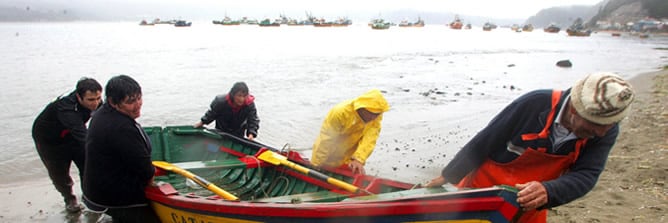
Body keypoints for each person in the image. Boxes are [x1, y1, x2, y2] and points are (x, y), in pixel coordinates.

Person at [424, 72, 635, 223]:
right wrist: (449, 175)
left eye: (610, 125)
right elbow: (486, 139)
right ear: (574, 109)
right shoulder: (534, 104)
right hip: (481, 193)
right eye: (595, 125)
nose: (602, 133)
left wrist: (549, 190)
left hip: (528, 207)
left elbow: (587, 174)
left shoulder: (606, 129)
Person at [82, 75, 160, 222]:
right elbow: (144, 169)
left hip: (96, 191)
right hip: (116, 198)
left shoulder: (101, 113)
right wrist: (152, 186)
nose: (138, 104)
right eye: (131, 101)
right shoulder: (121, 128)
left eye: (139, 98)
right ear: (113, 102)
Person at [31, 77, 102, 213]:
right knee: (60, 174)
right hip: (49, 141)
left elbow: (105, 119)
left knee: (87, 165)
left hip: (70, 134)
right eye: (91, 100)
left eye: (98, 98)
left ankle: (89, 197)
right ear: (79, 97)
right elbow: (84, 136)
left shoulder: (97, 102)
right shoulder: (67, 109)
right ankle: (69, 199)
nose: (96, 103)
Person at [310, 89, 390, 175]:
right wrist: (317, 163)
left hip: (348, 153)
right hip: (331, 151)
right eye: (372, 114)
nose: (374, 117)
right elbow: (326, 139)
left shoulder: (376, 117)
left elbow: (370, 139)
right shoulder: (340, 113)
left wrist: (358, 159)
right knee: (321, 163)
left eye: (378, 114)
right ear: (362, 108)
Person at [194, 81, 260, 140]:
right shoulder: (220, 101)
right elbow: (211, 114)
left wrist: (251, 134)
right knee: (214, 147)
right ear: (233, 94)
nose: (241, 99)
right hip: (221, 130)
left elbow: (253, 120)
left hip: (238, 133)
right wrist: (202, 122)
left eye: (244, 96)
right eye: (239, 96)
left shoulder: (249, 105)